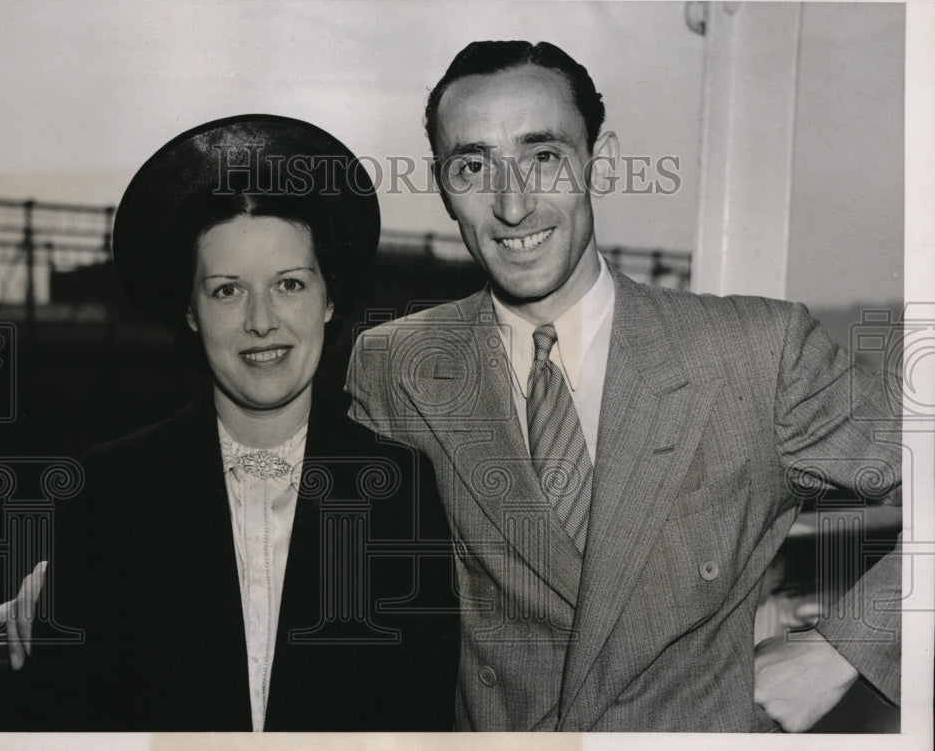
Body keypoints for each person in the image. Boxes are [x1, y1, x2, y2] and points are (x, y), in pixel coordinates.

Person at [344, 40, 902, 732]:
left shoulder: (755, 352)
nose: (512, 205)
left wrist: (836, 652)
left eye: (543, 156)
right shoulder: (396, 365)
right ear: (443, 187)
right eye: (473, 165)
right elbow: (361, 615)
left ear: (598, 165)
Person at [0, 114, 458, 731]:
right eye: (227, 290)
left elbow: (424, 715)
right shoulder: (116, 487)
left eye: (289, 284)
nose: (261, 320)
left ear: (329, 300)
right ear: (192, 311)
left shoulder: (403, 488)